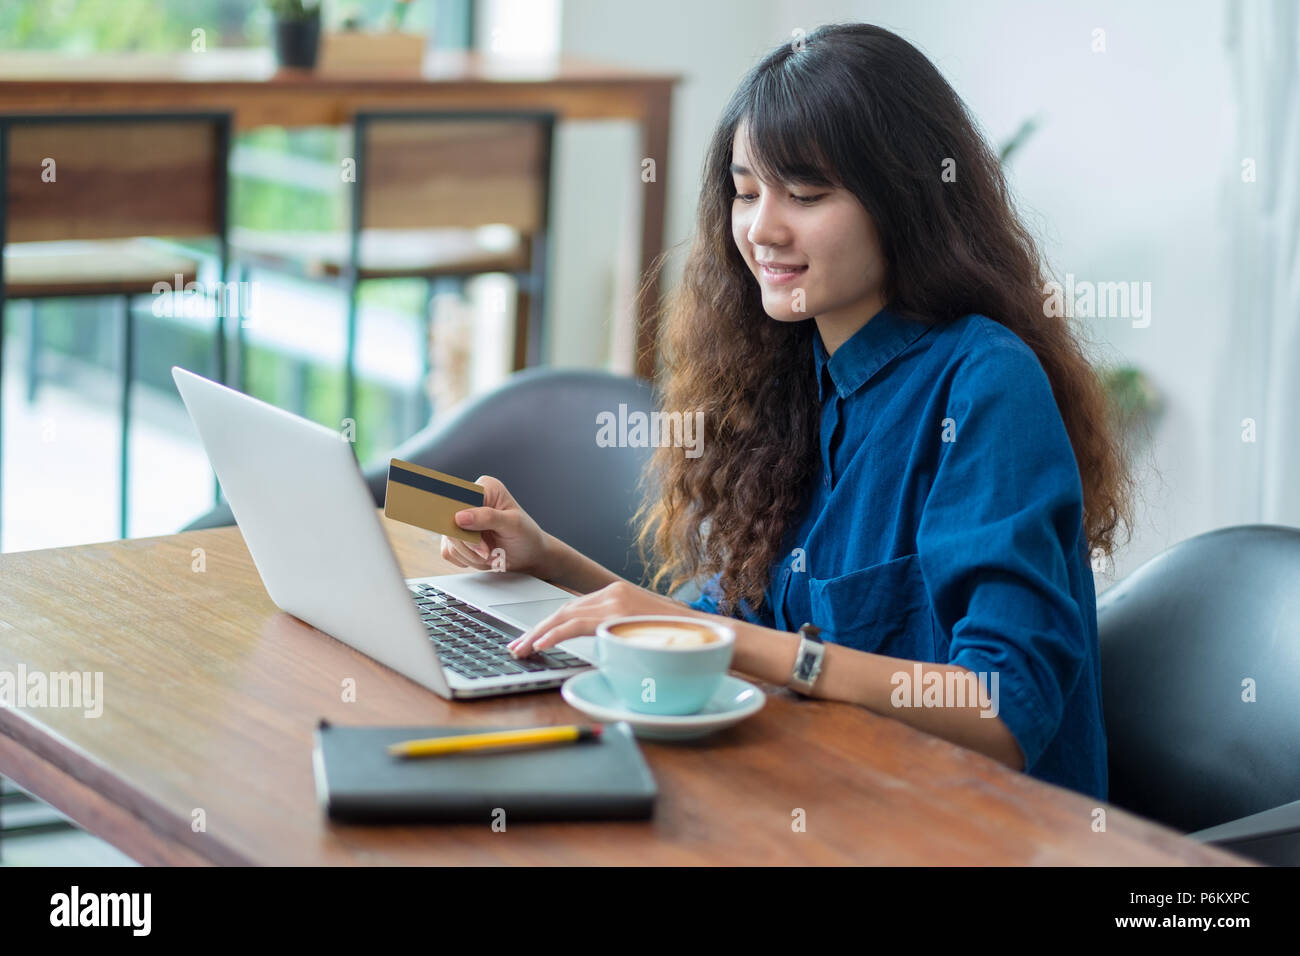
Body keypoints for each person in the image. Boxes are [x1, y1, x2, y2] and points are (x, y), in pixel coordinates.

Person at [439, 22, 1134, 800]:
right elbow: (716, 629)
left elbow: (1003, 709)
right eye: (745, 192)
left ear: (903, 200)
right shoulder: (793, 371)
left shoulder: (985, 385)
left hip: (984, 833)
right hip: (838, 798)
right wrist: (549, 563)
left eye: (804, 195)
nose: (762, 229)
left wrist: (761, 649)